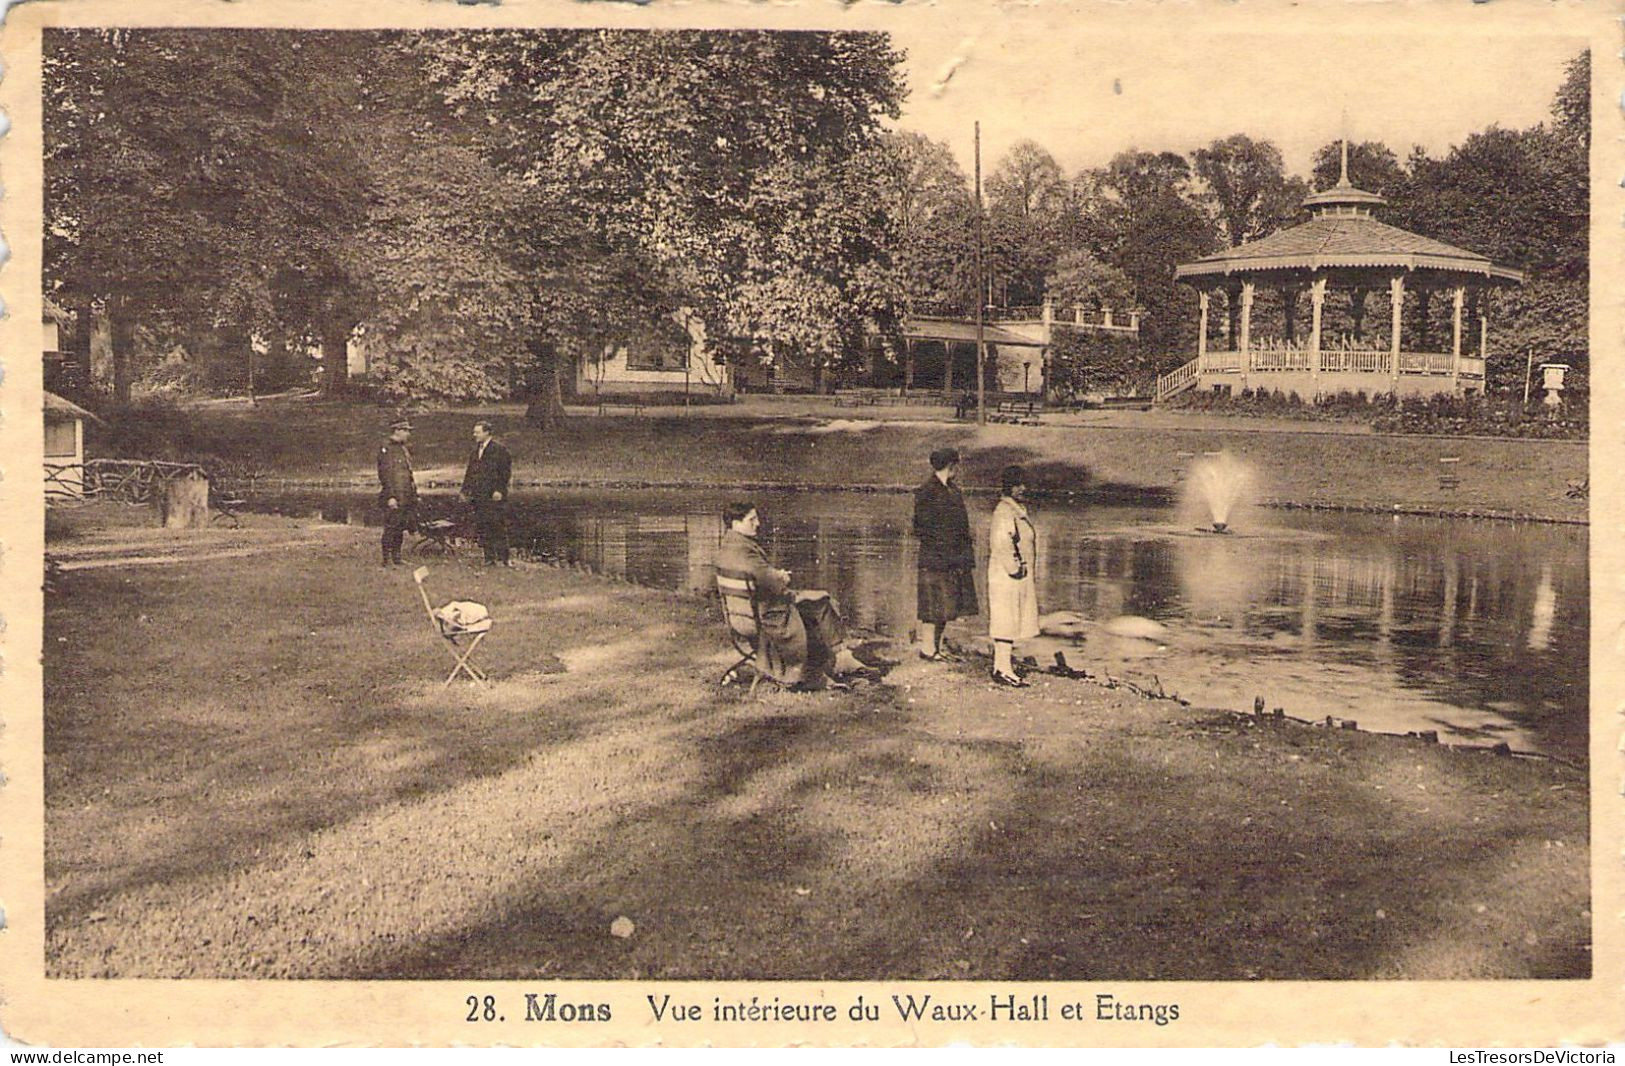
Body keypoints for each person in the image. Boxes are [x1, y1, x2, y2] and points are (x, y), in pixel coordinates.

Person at [714, 501, 871, 691]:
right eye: (751, 519)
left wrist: (774, 576)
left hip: (740, 619)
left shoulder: (727, 548)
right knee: (821, 601)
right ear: (735, 523)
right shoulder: (744, 551)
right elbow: (773, 583)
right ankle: (835, 661)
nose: (758, 523)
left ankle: (840, 659)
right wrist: (782, 577)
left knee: (818, 601)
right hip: (767, 618)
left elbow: (759, 577)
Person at [912, 446, 977, 662]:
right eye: (955, 465)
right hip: (935, 557)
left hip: (951, 558)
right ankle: (928, 648)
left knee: (946, 604)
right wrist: (944, 544)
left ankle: (936, 647)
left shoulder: (952, 490)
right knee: (932, 605)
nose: (956, 470)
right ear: (949, 466)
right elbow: (920, 527)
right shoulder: (927, 491)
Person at [987, 464, 1039, 687]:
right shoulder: (1005, 511)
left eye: (1024, 484)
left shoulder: (1015, 510)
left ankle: (1003, 666)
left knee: (1010, 620)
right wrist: (1015, 567)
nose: (1023, 489)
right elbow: (1002, 542)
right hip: (1006, 576)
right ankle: (1002, 668)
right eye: (1018, 485)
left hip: (1014, 577)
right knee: (1005, 621)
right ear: (1009, 487)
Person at [460, 420, 513, 566]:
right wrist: (465, 490)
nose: (474, 435)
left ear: (487, 432)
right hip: (479, 496)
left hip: (494, 496)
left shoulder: (500, 450)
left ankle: (504, 558)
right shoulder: (475, 451)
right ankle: (489, 558)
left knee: (498, 526)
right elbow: (470, 473)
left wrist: (499, 490)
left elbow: (505, 473)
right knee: (483, 526)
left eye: (477, 432)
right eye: (474, 432)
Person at [377, 417, 417, 567]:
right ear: (397, 430)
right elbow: (385, 474)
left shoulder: (402, 448)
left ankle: (397, 557)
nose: (408, 434)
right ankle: (386, 559)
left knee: (400, 527)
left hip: (405, 494)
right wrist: (391, 496)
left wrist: (413, 493)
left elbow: (408, 473)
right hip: (394, 496)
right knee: (391, 527)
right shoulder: (386, 448)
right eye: (406, 430)